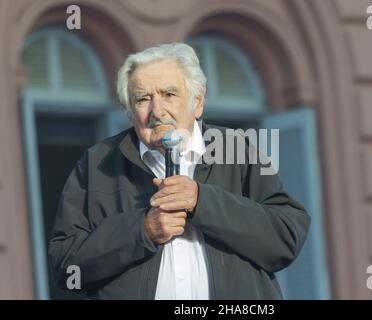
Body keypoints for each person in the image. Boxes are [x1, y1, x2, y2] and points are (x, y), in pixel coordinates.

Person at [48, 42, 310, 299]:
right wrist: (142, 230)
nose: (157, 111)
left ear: (197, 102)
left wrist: (201, 201)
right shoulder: (98, 163)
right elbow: (66, 267)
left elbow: (286, 237)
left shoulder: (237, 148)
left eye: (169, 94)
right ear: (130, 114)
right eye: (143, 99)